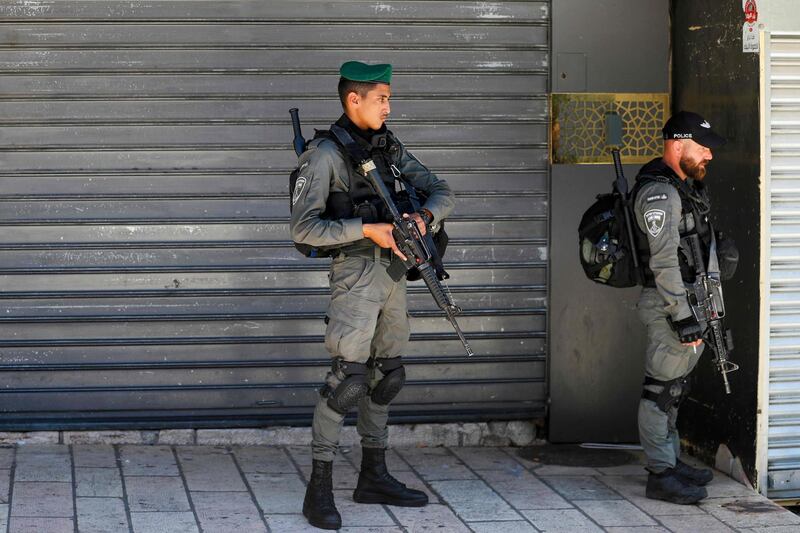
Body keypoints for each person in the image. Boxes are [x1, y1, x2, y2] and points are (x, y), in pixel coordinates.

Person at [290, 61, 455, 530]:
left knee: (389, 375)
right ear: (353, 100)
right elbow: (302, 229)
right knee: (347, 382)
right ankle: (318, 489)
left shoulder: (387, 146)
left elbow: (441, 191)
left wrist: (423, 219)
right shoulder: (324, 155)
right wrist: (367, 228)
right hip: (356, 275)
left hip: (397, 271)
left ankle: (373, 476)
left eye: (388, 98)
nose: (389, 105)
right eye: (381, 98)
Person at [631, 111, 727, 505]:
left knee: (675, 389)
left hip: (691, 301)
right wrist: (683, 317)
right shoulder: (660, 194)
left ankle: (669, 460)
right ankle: (660, 473)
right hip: (671, 305)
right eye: (702, 147)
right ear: (677, 143)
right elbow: (665, 261)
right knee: (660, 391)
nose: (709, 155)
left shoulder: (685, 187)